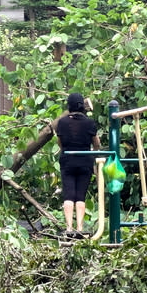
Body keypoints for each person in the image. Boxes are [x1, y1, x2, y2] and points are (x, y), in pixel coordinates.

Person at [55, 92, 101, 236]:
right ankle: (80, 228)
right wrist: (93, 151)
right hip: (85, 161)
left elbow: (60, 143)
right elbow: (97, 143)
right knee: (80, 196)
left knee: (68, 195)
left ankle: (69, 228)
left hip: (67, 160)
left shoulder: (62, 122)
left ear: (69, 106)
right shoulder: (89, 122)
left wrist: (66, 149)